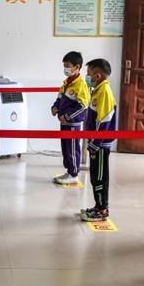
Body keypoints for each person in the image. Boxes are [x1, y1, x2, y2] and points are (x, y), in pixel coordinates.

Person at [80, 59, 117, 222]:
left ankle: (102, 209)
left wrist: (95, 143)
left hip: (100, 144)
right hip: (96, 143)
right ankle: (97, 206)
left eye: (88, 74)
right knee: (95, 176)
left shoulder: (104, 92)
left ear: (98, 76)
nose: (87, 77)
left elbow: (105, 120)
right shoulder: (98, 91)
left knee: (100, 177)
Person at [52, 51, 90, 186]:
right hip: (64, 123)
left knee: (73, 149)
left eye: (68, 66)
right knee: (66, 149)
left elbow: (83, 106)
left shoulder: (81, 84)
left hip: (73, 124)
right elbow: (59, 98)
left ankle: (74, 174)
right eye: (64, 66)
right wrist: (55, 107)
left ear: (77, 67)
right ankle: (69, 171)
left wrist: (67, 117)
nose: (65, 69)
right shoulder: (66, 83)